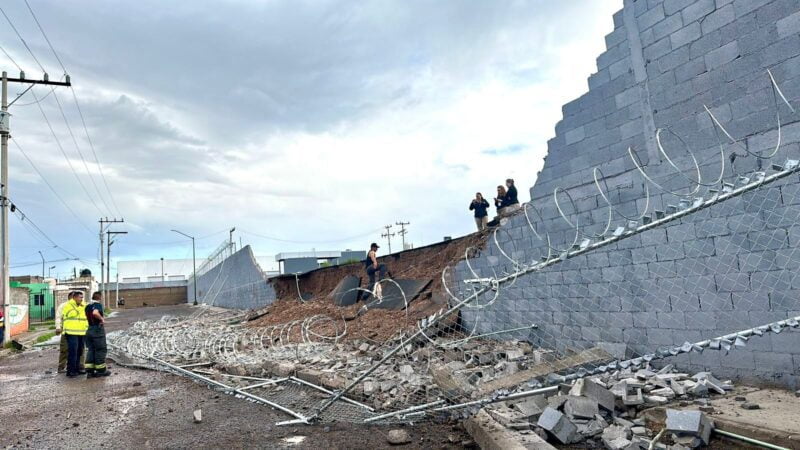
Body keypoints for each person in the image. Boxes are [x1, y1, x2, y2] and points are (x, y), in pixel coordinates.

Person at [55, 292, 84, 374]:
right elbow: (58, 317)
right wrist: (58, 327)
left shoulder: (81, 306)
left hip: (79, 332)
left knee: (80, 350)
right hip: (66, 331)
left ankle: (80, 366)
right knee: (64, 349)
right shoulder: (64, 306)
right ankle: (62, 367)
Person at [62, 291, 88, 378]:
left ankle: (77, 369)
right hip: (71, 332)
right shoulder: (68, 305)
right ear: (75, 297)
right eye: (80, 297)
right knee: (73, 352)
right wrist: (81, 307)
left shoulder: (84, 306)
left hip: (82, 332)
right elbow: (70, 314)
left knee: (79, 352)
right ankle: (70, 371)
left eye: (82, 297)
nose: (81, 299)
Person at [84, 292, 110, 378]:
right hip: (97, 330)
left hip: (89, 329)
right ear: (100, 297)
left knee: (91, 350)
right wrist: (102, 319)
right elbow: (95, 313)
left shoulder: (87, 306)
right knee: (100, 349)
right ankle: (101, 370)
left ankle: (90, 371)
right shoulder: (97, 305)